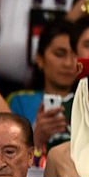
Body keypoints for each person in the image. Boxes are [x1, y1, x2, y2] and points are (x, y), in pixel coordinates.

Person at [7, 20, 79, 168]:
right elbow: (8, 158)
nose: (68, 63)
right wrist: (37, 138)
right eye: (60, 54)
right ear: (39, 59)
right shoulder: (19, 101)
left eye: (75, 55)